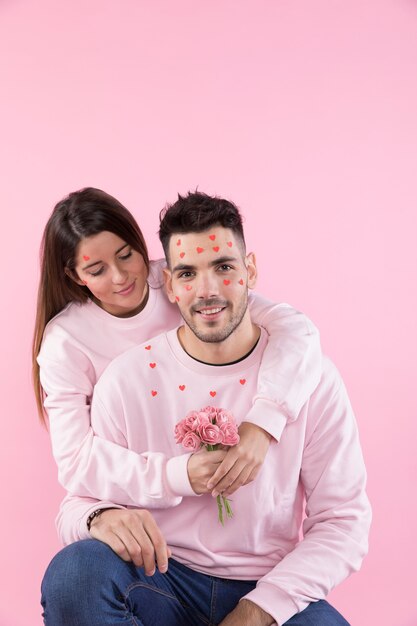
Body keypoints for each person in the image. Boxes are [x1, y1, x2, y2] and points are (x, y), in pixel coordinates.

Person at [41, 192, 371, 625]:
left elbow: (343, 520)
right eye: (189, 274)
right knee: (77, 572)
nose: (208, 290)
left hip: (265, 579)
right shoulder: (116, 378)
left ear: (250, 269)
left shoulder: (308, 375)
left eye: (224, 266)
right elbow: (78, 487)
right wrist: (104, 513)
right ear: (172, 285)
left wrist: (262, 607)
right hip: (159, 576)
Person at [34, 187, 322, 554]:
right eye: (97, 269)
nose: (121, 277)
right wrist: (177, 474)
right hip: (154, 510)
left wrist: (263, 423)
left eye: (127, 256)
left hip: (240, 496)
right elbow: (76, 462)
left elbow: (294, 329)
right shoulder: (66, 342)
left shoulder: (179, 280)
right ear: (74, 276)